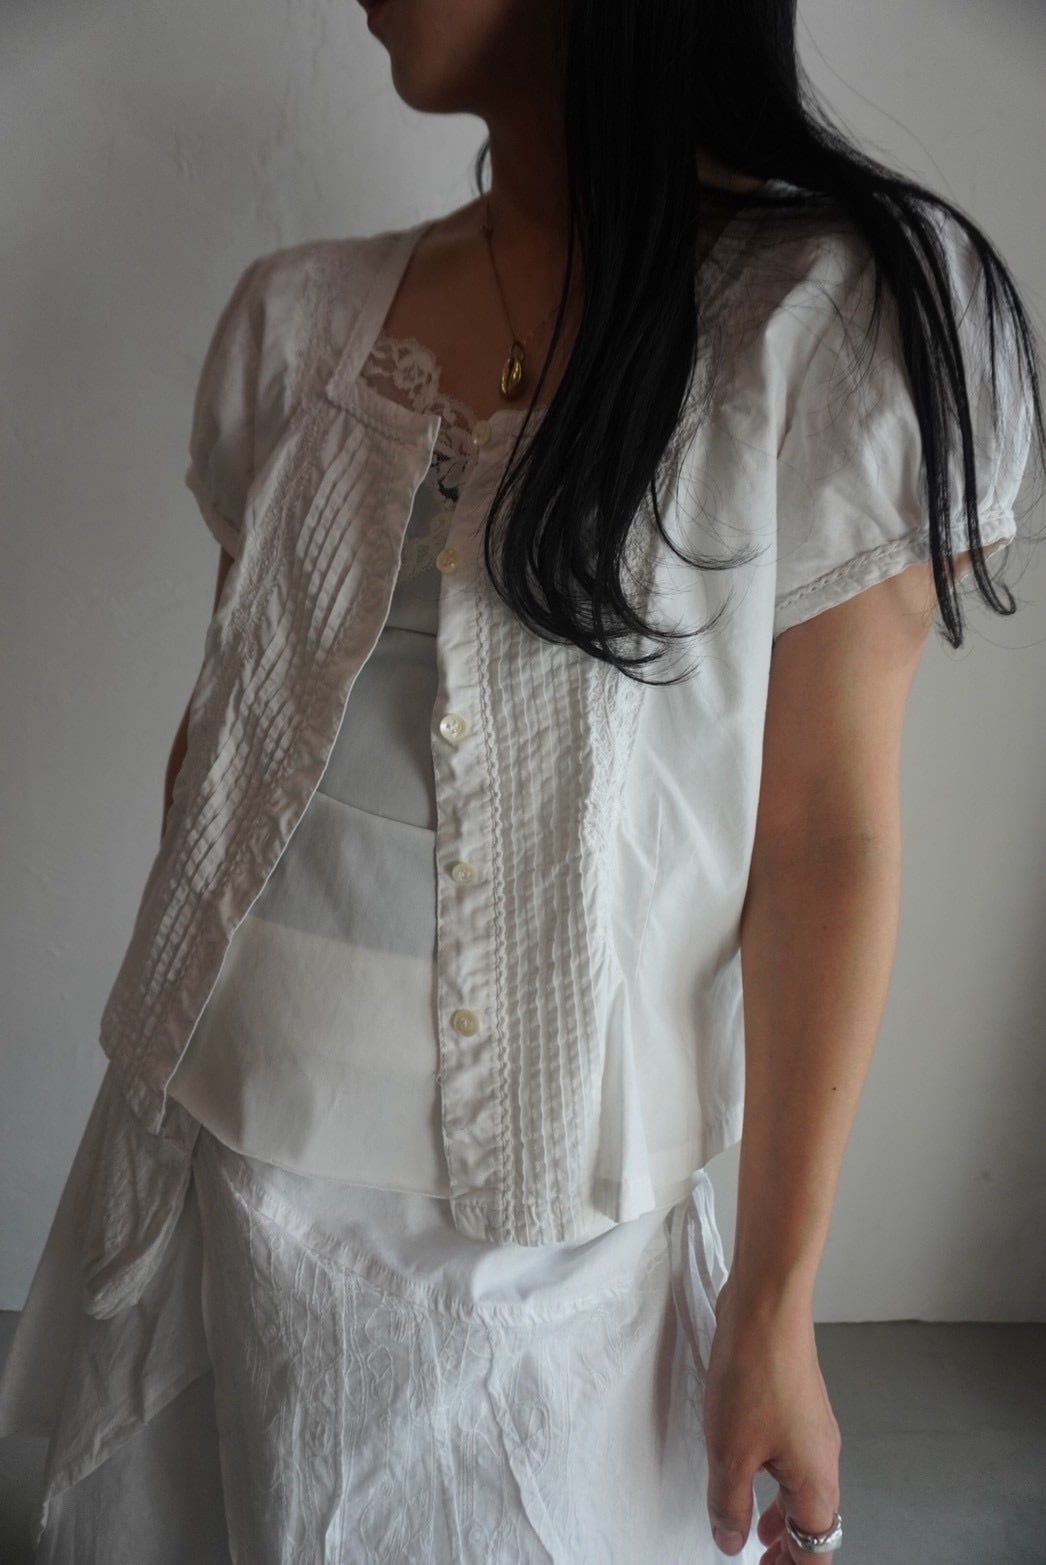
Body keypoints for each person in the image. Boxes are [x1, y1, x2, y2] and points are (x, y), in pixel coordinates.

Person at [1, 2, 1042, 1561]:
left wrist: (773, 1299)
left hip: (547, 1265)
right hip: (204, 1163)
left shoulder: (832, 319)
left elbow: (823, 837)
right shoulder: (301, 318)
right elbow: (225, 741)